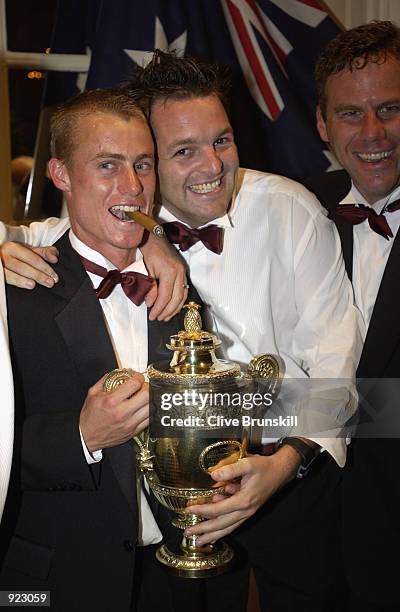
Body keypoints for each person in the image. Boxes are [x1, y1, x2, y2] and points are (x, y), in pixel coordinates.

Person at [1, 51, 361, 611]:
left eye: (222, 141)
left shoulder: (292, 210)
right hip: (142, 523)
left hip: (290, 463)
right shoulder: (103, 234)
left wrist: (283, 463)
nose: (212, 167)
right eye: (183, 151)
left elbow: (341, 371)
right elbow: (55, 234)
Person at [0, 88, 197, 612]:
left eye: (143, 165)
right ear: (60, 175)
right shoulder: (13, 291)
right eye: (108, 165)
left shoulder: (179, 286)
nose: (133, 187)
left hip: (174, 581)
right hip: (42, 586)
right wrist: (81, 436)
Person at [305, 20, 400, 612]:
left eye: (390, 108)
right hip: (306, 539)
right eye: (350, 114)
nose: (373, 133)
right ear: (322, 125)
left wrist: (280, 404)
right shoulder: (295, 210)